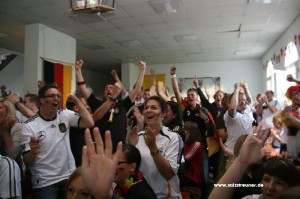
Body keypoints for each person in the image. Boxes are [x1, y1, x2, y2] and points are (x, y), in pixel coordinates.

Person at [21, 84, 94, 198]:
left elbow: (90, 122)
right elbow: (27, 162)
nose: (56, 98)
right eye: (51, 96)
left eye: (58, 96)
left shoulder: (65, 115)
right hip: (45, 183)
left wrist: (77, 101)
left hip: (68, 177)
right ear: (42, 100)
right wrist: (33, 150)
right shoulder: (29, 126)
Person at [209, 128, 300, 199]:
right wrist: (241, 161)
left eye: (279, 183)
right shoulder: (236, 177)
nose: (270, 187)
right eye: (266, 180)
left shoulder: (259, 170)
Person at [75, 59, 146, 150]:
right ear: (104, 93)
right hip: (100, 147)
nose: (108, 89)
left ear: (117, 91)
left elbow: (137, 89)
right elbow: (83, 88)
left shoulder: (123, 104)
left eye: (111, 87)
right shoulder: (97, 103)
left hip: (119, 147)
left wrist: (142, 70)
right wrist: (78, 70)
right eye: (106, 88)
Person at [128, 96, 182, 199]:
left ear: (163, 113)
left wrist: (153, 147)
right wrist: (131, 146)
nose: (148, 110)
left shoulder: (173, 137)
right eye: (146, 107)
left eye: (153, 107)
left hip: (165, 196)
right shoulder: (139, 136)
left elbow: (168, 174)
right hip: (143, 196)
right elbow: (132, 168)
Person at [180, 121, 203, 188]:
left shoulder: (197, 145)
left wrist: (182, 142)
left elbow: (185, 158)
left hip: (192, 178)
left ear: (190, 133)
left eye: (185, 132)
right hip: (184, 174)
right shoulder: (187, 144)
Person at [0, 97, 23, 164]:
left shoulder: (17, 127)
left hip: (12, 170)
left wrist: (5, 131)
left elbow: (12, 155)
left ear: (8, 111)